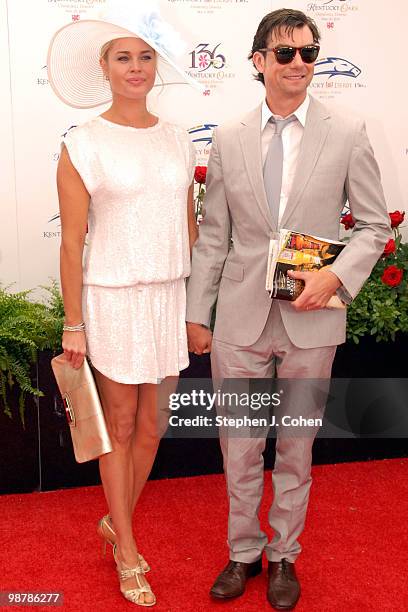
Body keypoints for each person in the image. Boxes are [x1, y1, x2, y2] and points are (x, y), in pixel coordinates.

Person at [186, 8, 390, 610]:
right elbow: (214, 236)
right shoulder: (226, 138)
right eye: (285, 53)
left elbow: (375, 227)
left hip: (312, 319)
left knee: (296, 448)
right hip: (241, 321)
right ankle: (243, 551)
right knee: (240, 444)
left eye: (309, 52)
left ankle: (283, 558)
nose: (299, 63)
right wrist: (200, 312)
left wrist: (335, 277)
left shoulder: (348, 131)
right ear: (259, 62)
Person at [48, 6, 200, 607]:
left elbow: (187, 228)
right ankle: (129, 551)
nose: (135, 68)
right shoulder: (82, 144)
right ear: (104, 68)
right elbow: (70, 241)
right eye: (122, 57)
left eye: (144, 56)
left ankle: (116, 521)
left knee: (154, 426)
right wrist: (74, 321)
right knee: (120, 426)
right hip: (111, 299)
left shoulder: (177, 136)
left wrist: (199, 303)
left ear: (154, 65)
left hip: (166, 296)